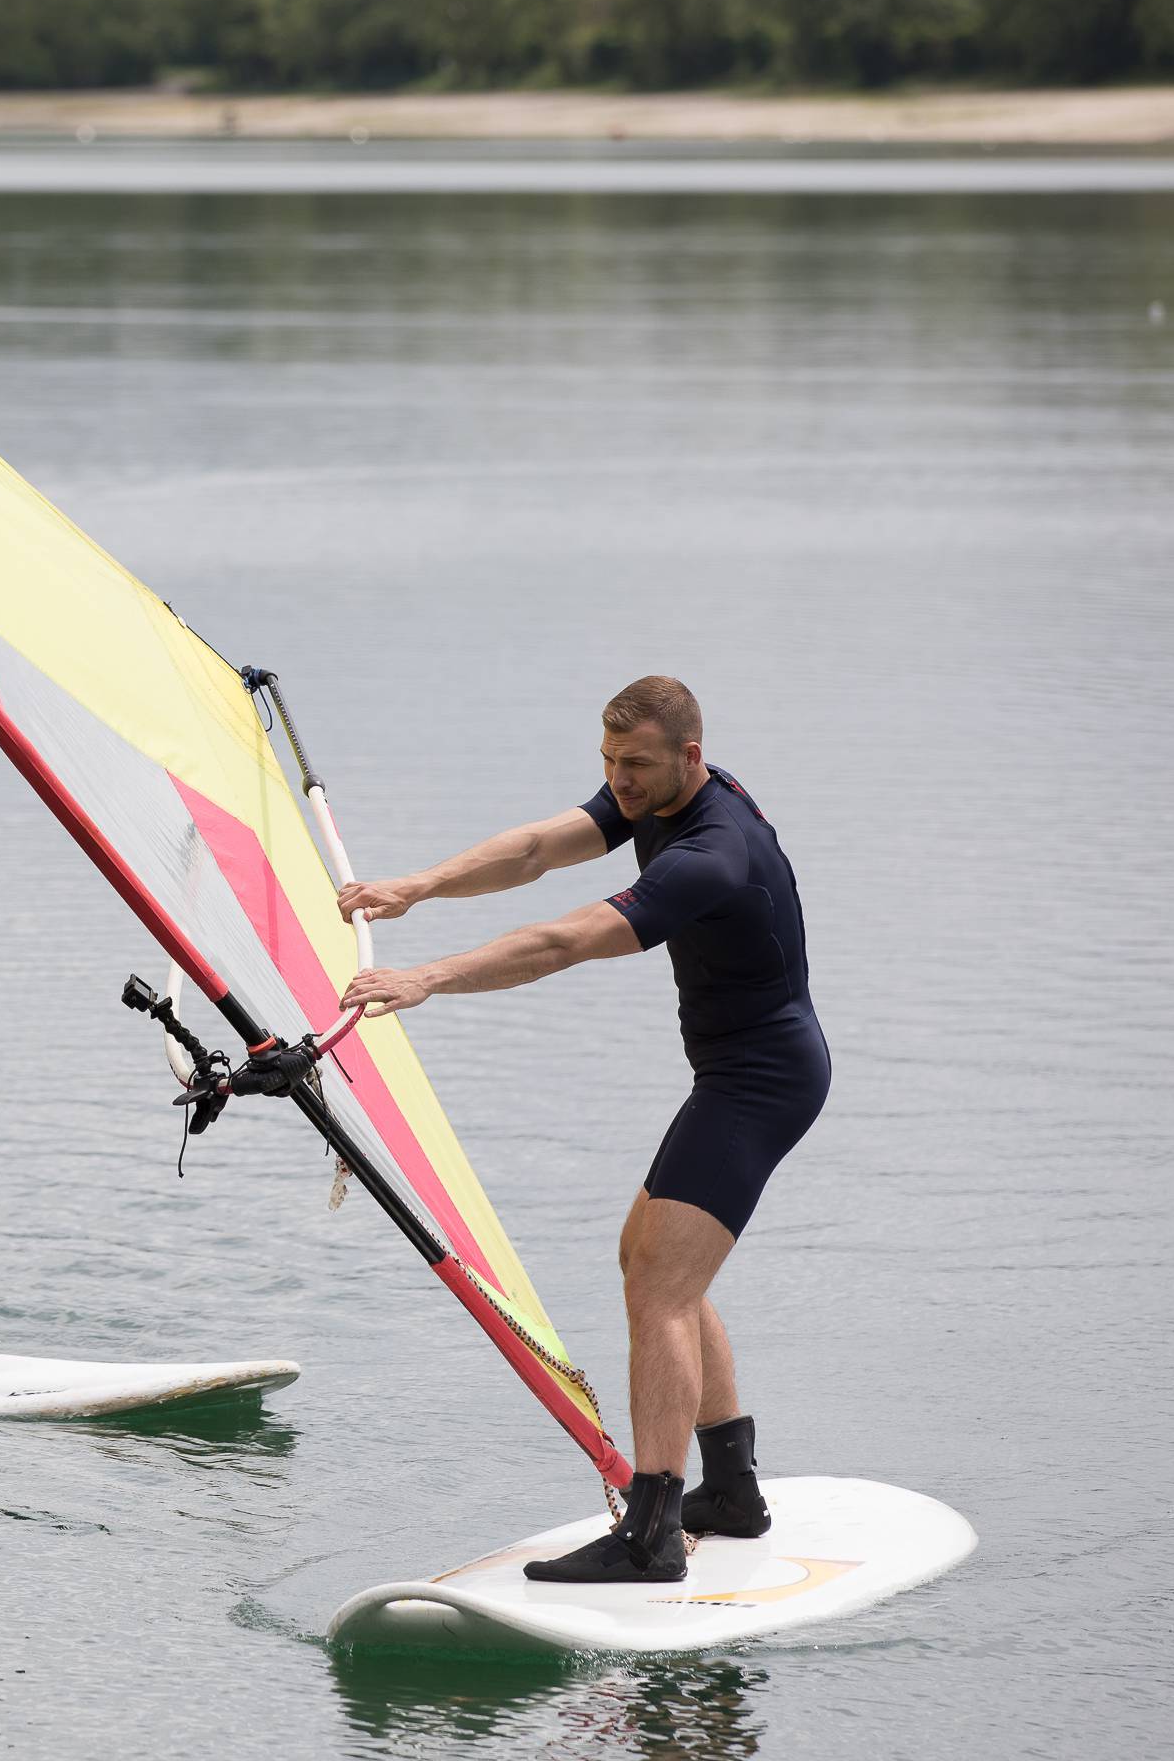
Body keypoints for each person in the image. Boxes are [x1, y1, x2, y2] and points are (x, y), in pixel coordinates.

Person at [336, 676, 827, 1582]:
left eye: (634, 764)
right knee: (652, 1260)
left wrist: (426, 980)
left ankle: (651, 1534)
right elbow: (532, 852)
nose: (617, 781)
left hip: (763, 1081)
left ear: (689, 756)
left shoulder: (712, 851)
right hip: (739, 1073)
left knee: (660, 1288)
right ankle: (732, 1489)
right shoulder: (661, 792)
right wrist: (420, 886)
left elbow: (563, 942)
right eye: (607, 762)